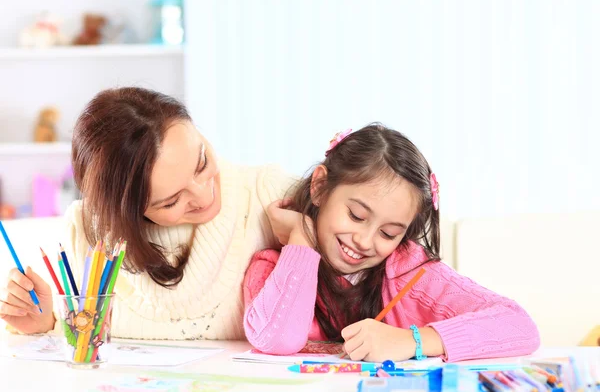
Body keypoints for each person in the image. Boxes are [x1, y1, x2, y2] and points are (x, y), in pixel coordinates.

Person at [1, 87, 296, 340]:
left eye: (202, 162)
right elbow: (83, 341)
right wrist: (46, 324)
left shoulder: (268, 193)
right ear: (124, 213)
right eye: (170, 202)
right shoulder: (86, 231)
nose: (204, 196)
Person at [243, 124, 540, 362]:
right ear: (320, 187)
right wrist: (302, 237)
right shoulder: (273, 267)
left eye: (388, 234)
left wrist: (411, 341)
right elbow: (276, 339)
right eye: (356, 215)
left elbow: (519, 326)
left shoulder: (406, 270)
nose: (364, 241)